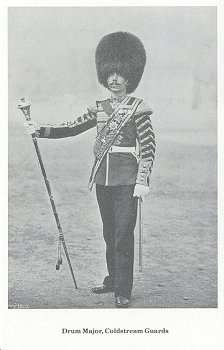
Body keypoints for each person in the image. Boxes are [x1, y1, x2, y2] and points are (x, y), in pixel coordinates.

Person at [24, 31, 156, 308]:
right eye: (111, 74)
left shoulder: (138, 109)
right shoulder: (99, 108)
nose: (115, 79)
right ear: (104, 75)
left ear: (130, 77)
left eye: (121, 74)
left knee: (123, 235)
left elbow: (148, 147)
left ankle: (124, 289)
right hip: (103, 178)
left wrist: (142, 179)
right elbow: (72, 127)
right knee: (109, 232)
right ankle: (112, 281)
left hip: (128, 180)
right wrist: (41, 130)